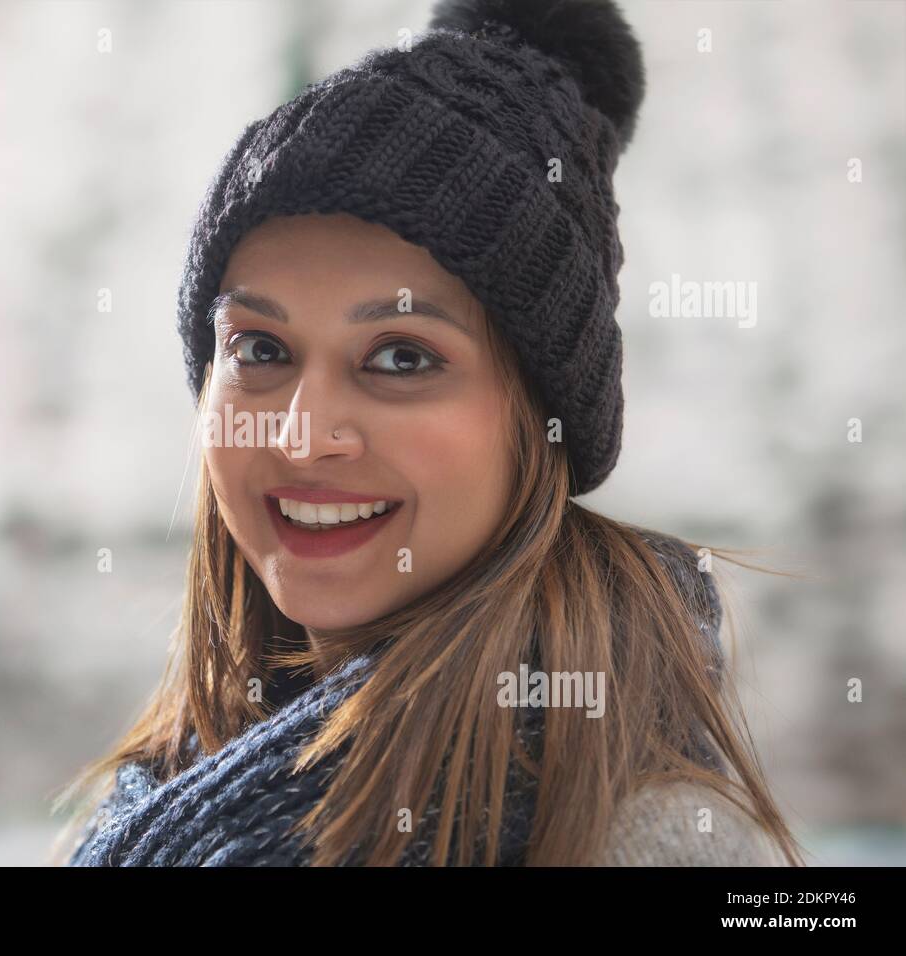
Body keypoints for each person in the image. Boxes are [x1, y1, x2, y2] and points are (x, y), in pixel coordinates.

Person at [51, 0, 805, 866]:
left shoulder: (650, 838)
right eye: (260, 348)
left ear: (538, 419)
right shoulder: (149, 803)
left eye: (402, 358)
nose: (304, 437)